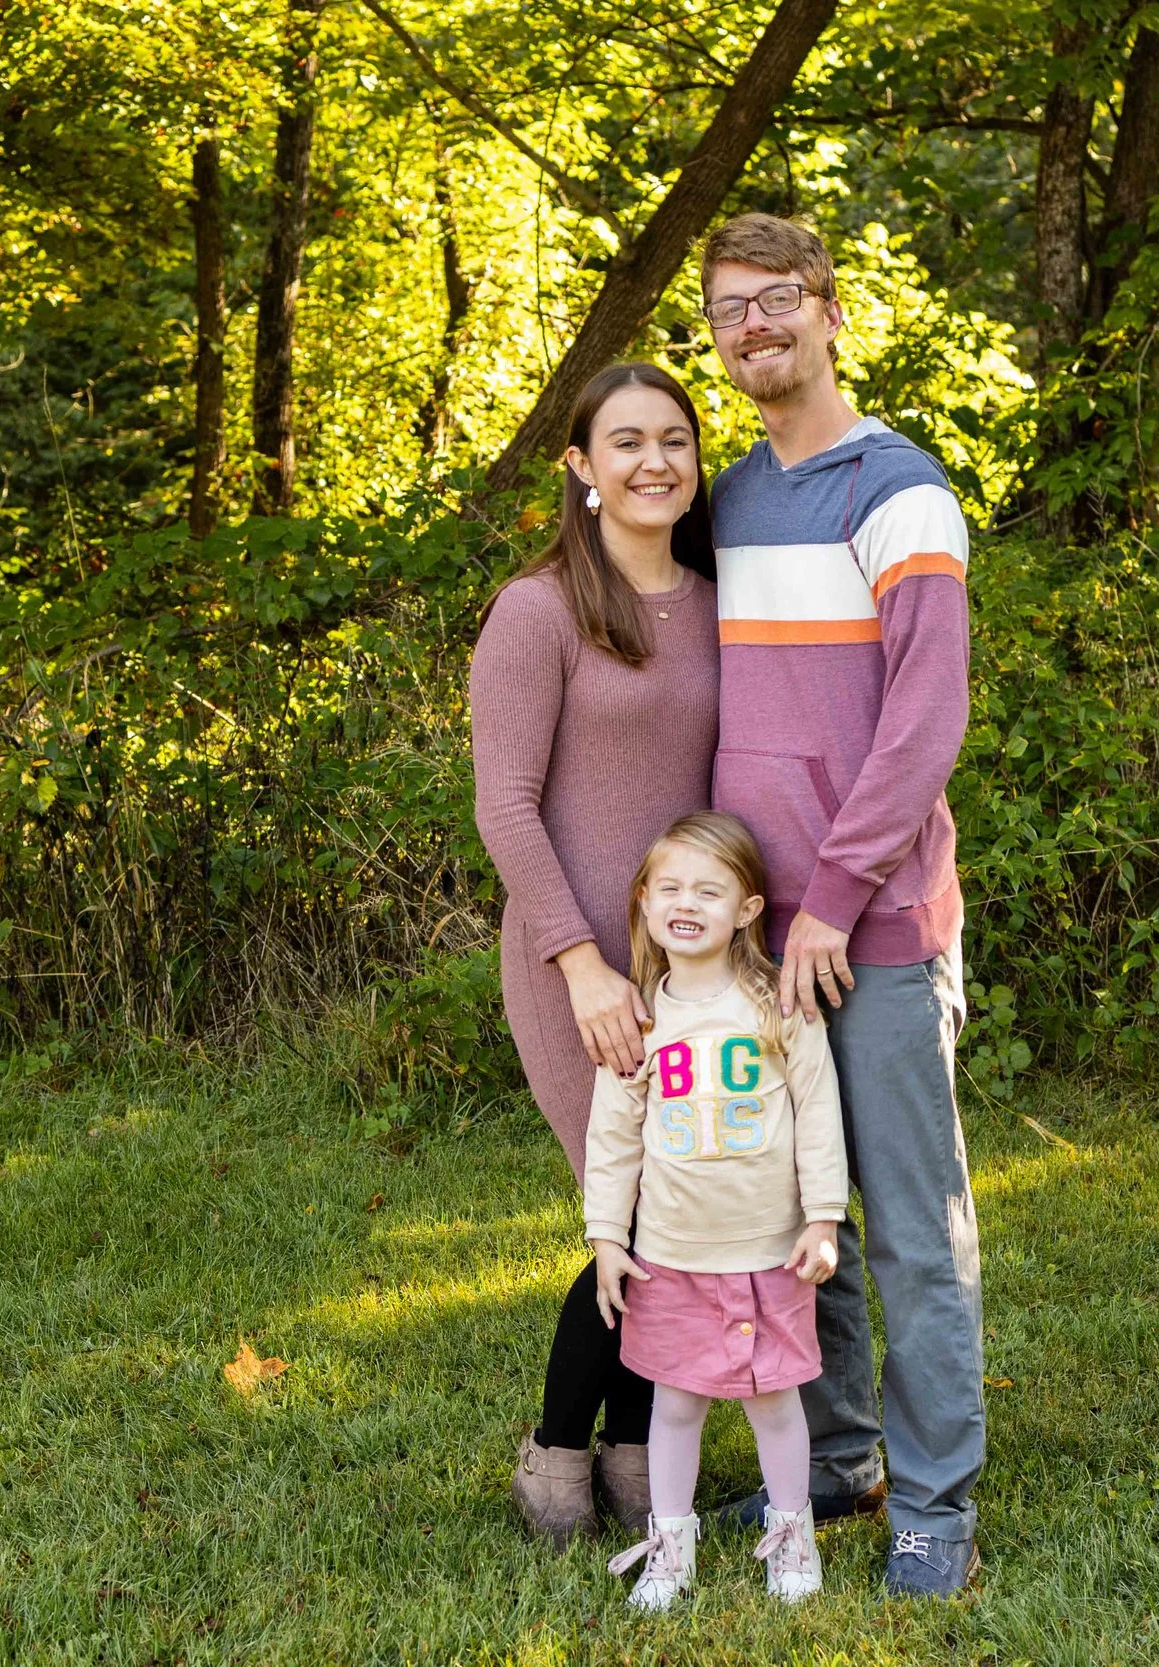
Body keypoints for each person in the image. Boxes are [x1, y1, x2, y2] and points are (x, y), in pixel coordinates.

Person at [695, 213, 987, 1596]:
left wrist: (833, 896)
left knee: (914, 1230)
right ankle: (844, 1454)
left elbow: (925, 721)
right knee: (793, 1210)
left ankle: (935, 1506)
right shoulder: (732, 502)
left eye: (775, 300)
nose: (752, 327)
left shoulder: (900, 492)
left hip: (870, 930)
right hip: (759, 936)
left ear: (828, 309)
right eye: (727, 310)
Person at [469, 362, 720, 1546]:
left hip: (694, 963)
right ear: (580, 466)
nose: (653, 461)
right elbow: (504, 805)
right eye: (625, 441)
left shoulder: (717, 601)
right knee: (636, 1211)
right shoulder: (538, 611)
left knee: (691, 1205)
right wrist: (579, 961)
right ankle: (557, 1452)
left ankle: (635, 1452)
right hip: (578, 962)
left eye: (674, 438)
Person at [584, 812, 848, 1611]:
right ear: (643, 902)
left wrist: (823, 1217)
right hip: (671, 1253)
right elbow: (613, 1136)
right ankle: (671, 1545)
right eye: (669, 888)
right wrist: (608, 1236)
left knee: (774, 1402)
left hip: (769, 1250)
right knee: (675, 1403)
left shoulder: (777, 1005)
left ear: (746, 909)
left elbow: (818, 1110)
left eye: (708, 890)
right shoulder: (639, 1018)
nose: (686, 902)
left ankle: (792, 1534)